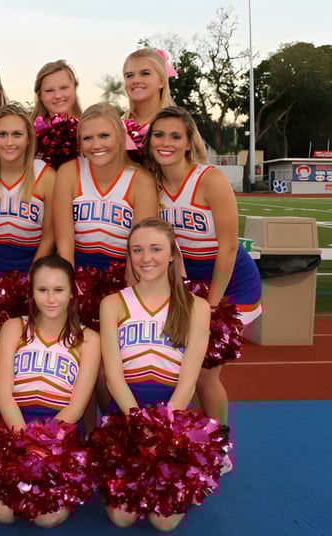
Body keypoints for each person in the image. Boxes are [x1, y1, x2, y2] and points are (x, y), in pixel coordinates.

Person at [145, 106, 262, 471]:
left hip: (230, 284)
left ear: (188, 142)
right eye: (158, 135)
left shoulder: (209, 180)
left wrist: (211, 305)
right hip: (189, 284)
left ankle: (220, 446)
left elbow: (228, 246)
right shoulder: (152, 185)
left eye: (175, 136)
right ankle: (194, 437)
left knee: (205, 372)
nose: (166, 143)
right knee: (183, 368)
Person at [99, 217, 210, 532]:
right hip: (125, 416)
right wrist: (137, 422)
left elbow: (188, 379)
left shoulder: (196, 307)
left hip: (172, 418)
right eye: (137, 250)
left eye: (155, 249)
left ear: (173, 254)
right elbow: (114, 377)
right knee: (122, 517)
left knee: (164, 523)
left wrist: (165, 429)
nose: (146, 258)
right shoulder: (113, 304)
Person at [0, 255, 100, 527]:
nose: (51, 299)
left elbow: (77, 405)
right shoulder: (13, 328)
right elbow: (2, 394)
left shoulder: (89, 340)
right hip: (14, 429)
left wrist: (45, 443)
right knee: (1, 513)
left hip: (58, 434)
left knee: (47, 518)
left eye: (59, 290)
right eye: (43, 290)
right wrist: (24, 442)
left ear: (73, 293)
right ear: (31, 292)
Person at [53, 103, 158, 272]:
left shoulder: (141, 180)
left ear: (120, 136)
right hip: (78, 272)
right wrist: (70, 289)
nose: (96, 145)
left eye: (104, 136)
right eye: (87, 138)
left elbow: (140, 249)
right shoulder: (69, 172)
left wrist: (126, 294)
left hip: (125, 275)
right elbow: (65, 245)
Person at [0, 104, 55, 274]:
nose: (9, 142)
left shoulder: (47, 177)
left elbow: (50, 236)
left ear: (29, 139)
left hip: (35, 268)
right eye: (2, 135)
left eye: (17, 134)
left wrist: (34, 278)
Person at [122, 49, 176, 128]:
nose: (136, 80)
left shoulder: (181, 125)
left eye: (145, 73)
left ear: (162, 81)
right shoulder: (116, 128)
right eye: (129, 75)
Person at [31, 60, 82, 124]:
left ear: (75, 88)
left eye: (64, 88)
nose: (58, 96)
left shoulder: (91, 129)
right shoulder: (28, 132)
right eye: (49, 91)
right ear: (40, 95)